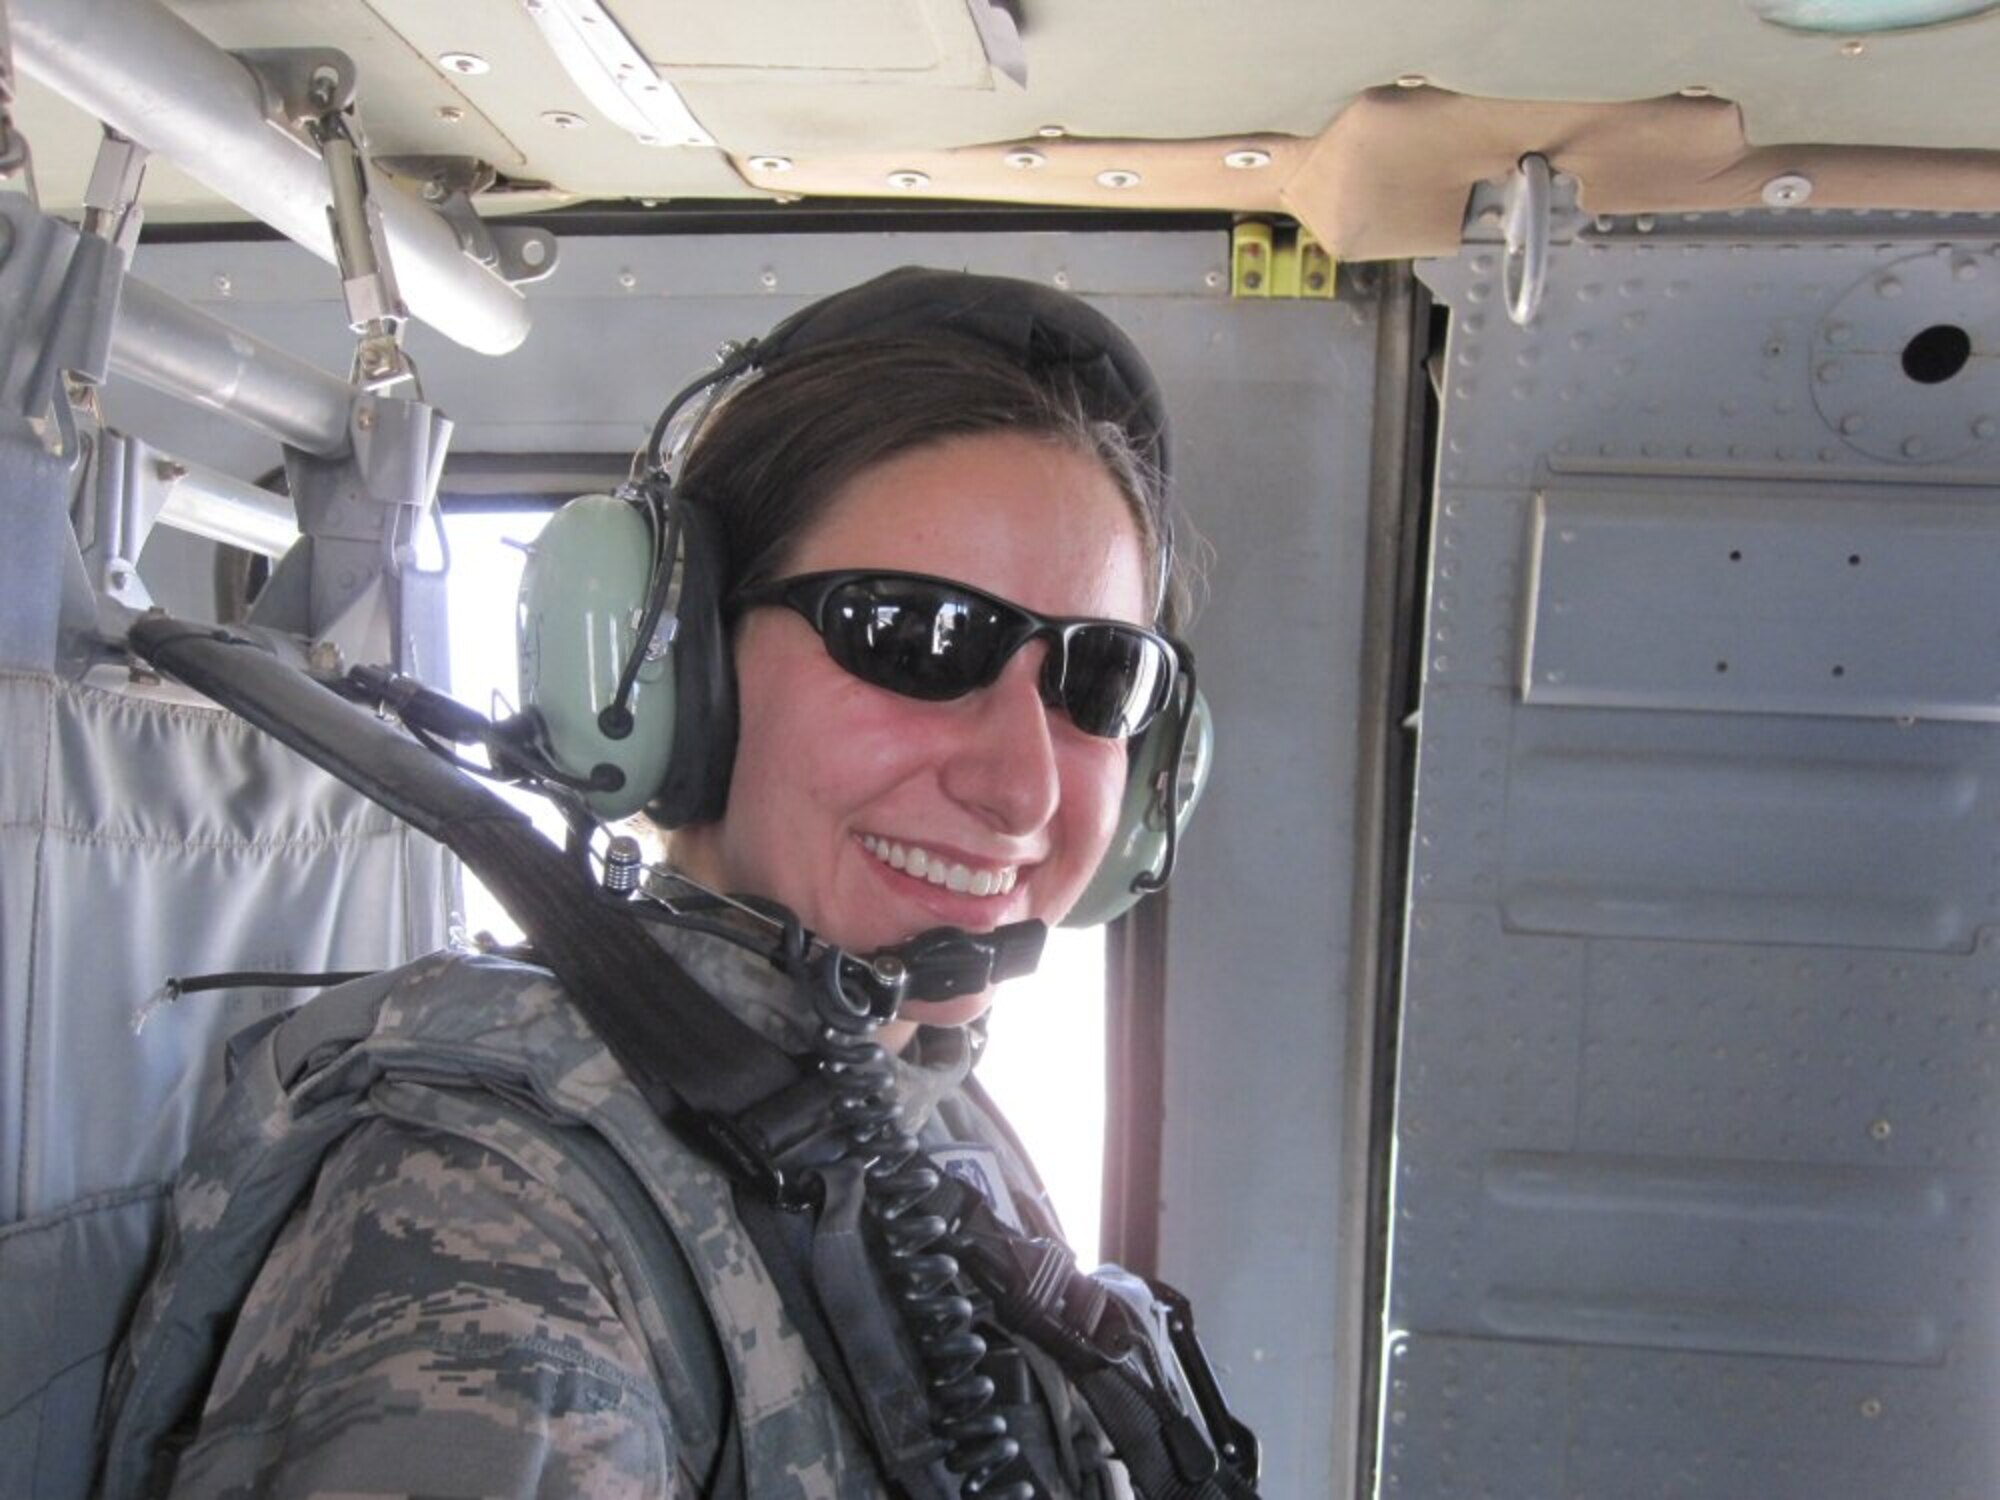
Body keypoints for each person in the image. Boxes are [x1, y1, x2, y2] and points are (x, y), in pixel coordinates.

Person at [97, 268, 1247, 1499]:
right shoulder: (501, 1217)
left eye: (1099, 682)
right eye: (914, 637)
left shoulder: (926, 1117)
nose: (1022, 789)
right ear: (674, 668)